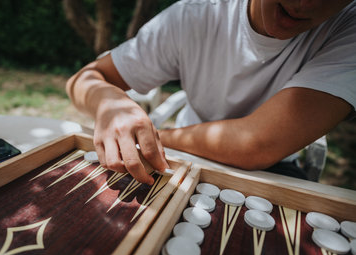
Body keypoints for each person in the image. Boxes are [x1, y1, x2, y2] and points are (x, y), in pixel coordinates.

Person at [66, 0, 356, 185]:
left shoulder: (349, 28)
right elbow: (84, 79)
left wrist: (155, 138)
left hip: (274, 169)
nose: (304, 4)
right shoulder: (193, 15)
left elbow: (257, 144)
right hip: (182, 154)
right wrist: (109, 103)